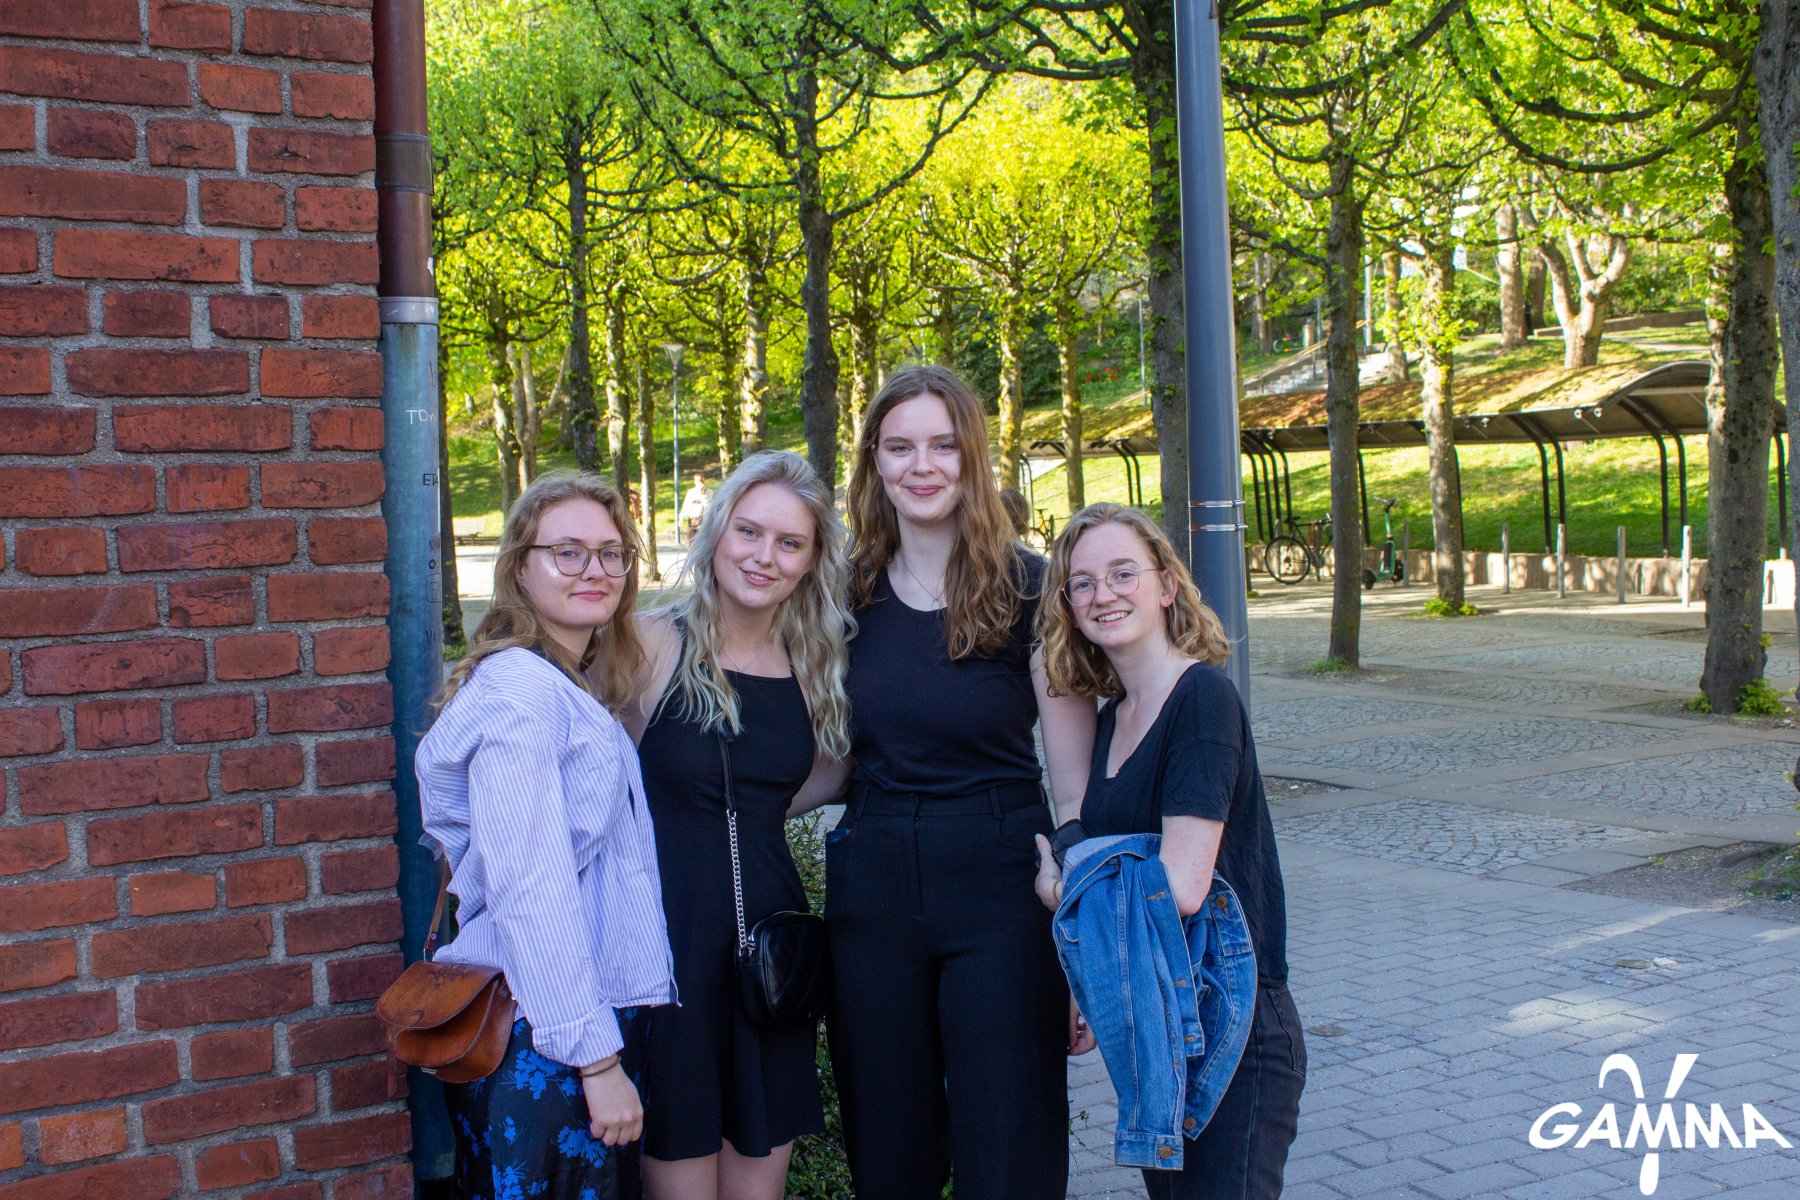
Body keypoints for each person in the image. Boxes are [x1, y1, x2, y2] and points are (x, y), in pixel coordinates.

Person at [827, 364, 1097, 1200]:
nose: (922, 465)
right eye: (900, 447)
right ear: (873, 461)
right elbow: (827, 755)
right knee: (887, 1149)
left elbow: (1073, 787)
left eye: (943, 445)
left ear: (972, 457)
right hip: (874, 881)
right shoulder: (843, 593)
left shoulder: (1031, 587)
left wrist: (1082, 933)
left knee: (1009, 1146)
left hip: (1000, 883)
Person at [414, 470, 676, 1200]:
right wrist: (597, 1062)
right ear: (520, 569)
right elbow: (531, 885)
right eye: (568, 552)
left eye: (612, 553)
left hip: (562, 1018)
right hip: (546, 1034)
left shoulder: (559, 682)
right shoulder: (521, 694)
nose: (595, 570)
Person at [1032, 503, 1305, 1200]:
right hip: (1157, 1024)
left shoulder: (1202, 699)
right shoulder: (1111, 719)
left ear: (1166, 585)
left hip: (1233, 1027)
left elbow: (1179, 885)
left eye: (1123, 573)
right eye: (1083, 583)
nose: (1104, 594)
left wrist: (1063, 891)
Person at [621, 450, 853, 1200]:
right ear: (715, 531)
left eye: (789, 543)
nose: (763, 556)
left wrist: (748, 812)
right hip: (668, 946)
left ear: (811, 561)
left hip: (768, 954)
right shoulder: (650, 643)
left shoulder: (815, 666)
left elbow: (828, 775)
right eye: (748, 531)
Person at [680, 472, 712, 544]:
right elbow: (686, 505)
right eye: (698, 481)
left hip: (703, 521)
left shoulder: (709, 492)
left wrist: (702, 493)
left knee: (701, 543)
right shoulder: (691, 492)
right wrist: (681, 517)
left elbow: (707, 505)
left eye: (701, 481)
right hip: (692, 520)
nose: (700, 483)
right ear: (694, 482)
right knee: (691, 543)